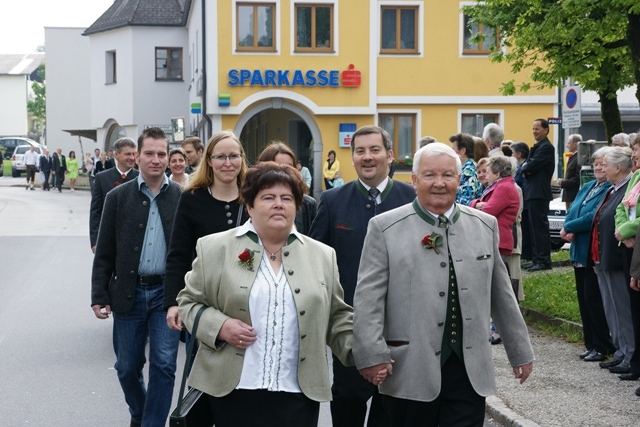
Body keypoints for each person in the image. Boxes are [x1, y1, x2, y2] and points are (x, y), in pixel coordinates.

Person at [353, 142, 534, 427]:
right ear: (415, 180)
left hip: (469, 372)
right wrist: (371, 354)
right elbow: (368, 300)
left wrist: (520, 350)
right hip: (409, 370)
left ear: (459, 180)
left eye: (448, 175)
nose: (439, 183)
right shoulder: (385, 228)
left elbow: (501, 295)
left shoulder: (485, 225)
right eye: (430, 175)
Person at [177, 162, 366, 426]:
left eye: (287, 198)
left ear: (297, 206)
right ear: (249, 206)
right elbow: (188, 302)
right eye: (268, 197)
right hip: (232, 390)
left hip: (297, 393)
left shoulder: (323, 255)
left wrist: (368, 353)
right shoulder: (215, 247)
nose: (278, 204)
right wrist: (220, 326)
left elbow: (337, 318)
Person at [309, 125, 415, 427]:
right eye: (360, 151)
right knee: (347, 404)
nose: (367, 157)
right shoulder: (332, 200)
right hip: (350, 328)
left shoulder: (412, 199)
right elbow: (316, 260)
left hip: (403, 328)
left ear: (390, 155)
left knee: (393, 411)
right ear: (353, 157)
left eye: (374, 150)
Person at [91, 127, 182, 427]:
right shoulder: (117, 197)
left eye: (161, 154)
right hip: (129, 293)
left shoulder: (182, 197)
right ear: (137, 157)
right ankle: (141, 414)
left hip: (167, 295)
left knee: (164, 365)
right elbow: (105, 250)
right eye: (149, 153)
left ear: (168, 157)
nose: (156, 159)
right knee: (127, 367)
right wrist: (99, 294)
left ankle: (151, 423)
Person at [165, 130, 250, 331]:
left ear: (241, 158)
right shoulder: (192, 198)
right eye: (220, 157)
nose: (227, 163)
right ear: (209, 160)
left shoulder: (255, 197)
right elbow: (179, 254)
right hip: (206, 301)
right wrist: (173, 301)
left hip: (250, 298)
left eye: (233, 156)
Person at [560, 147, 615, 362]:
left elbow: (594, 215)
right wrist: (568, 225)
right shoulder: (589, 186)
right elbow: (573, 209)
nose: (598, 167)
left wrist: (570, 226)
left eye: (602, 164)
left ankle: (602, 345)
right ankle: (590, 343)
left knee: (594, 299)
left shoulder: (609, 189)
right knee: (584, 299)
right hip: (578, 248)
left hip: (592, 250)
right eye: (596, 163)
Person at [591, 147, 635, 374]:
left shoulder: (627, 188)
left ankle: (629, 353)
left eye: (605, 165)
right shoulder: (612, 189)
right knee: (612, 309)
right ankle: (620, 351)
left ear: (618, 167)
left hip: (618, 258)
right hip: (606, 256)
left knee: (622, 309)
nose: (602, 169)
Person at [470, 156, 520, 345]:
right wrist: (476, 204)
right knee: (491, 285)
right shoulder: (500, 186)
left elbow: (487, 212)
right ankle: (494, 328)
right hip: (493, 240)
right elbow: (480, 206)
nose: (485, 175)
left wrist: (475, 205)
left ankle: (497, 329)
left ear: (497, 173)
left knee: (493, 286)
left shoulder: (504, 188)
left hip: (498, 241)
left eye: (488, 172)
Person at [613, 134, 640, 382]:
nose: (635, 155)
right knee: (634, 308)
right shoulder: (636, 177)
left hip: (636, 241)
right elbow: (622, 207)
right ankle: (636, 364)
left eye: (638, 151)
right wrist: (622, 230)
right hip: (629, 246)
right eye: (634, 151)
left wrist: (630, 230)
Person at [255, 141, 317, 235]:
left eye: (289, 167)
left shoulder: (308, 204)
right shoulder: (252, 202)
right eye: (278, 166)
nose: (284, 172)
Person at [89, 137, 139, 253]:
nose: (132, 158)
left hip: (136, 241)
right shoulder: (102, 178)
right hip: (108, 239)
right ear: (116, 154)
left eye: (134, 154)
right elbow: (96, 212)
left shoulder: (141, 178)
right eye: (128, 154)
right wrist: (95, 241)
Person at [521, 119, 555, 271]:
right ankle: (536, 258)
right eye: (533, 128)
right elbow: (527, 168)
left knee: (539, 228)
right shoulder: (538, 146)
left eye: (537, 129)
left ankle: (543, 260)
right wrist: (527, 168)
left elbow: (531, 166)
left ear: (546, 130)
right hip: (532, 191)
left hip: (539, 192)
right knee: (533, 227)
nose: (534, 131)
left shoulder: (546, 147)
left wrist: (527, 168)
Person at [511, 142, 532, 263]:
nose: (512, 155)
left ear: (519, 154)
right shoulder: (520, 166)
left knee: (525, 229)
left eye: (513, 153)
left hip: (523, 200)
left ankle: (527, 254)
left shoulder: (524, 166)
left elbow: (522, 184)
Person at [449, 132, 482, 205]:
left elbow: (465, 201)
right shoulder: (464, 168)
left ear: (462, 151)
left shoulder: (469, 172)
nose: (450, 153)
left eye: (453, 149)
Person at [558, 134, 582, 211]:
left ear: (575, 144)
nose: (567, 146)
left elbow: (577, 178)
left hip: (573, 195)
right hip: (569, 195)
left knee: (571, 215)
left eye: (569, 143)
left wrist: (563, 183)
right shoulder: (573, 157)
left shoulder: (578, 158)